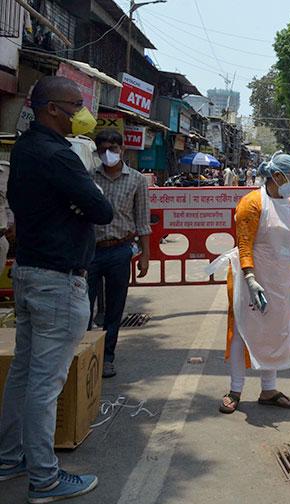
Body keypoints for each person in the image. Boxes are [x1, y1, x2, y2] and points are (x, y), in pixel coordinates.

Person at [0, 75, 113, 503]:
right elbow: (101, 209)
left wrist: (75, 201)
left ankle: (10, 457)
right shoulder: (58, 156)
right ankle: (44, 478)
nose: (81, 115)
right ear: (51, 109)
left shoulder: (25, 150)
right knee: (46, 385)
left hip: (29, 272)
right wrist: (80, 200)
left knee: (24, 376)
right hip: (58, 280)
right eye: (74, 106)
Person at [219, 152, 290, 414]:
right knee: (241, 331)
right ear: (277, 176)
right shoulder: (250, 204)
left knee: (273, 330)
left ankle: (268, 389)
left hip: (279, 281)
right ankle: (235, 390)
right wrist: (250, 278)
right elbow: (244, 245)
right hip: (251, 279)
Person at [88, 129, 151, 378]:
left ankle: (107, 357)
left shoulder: (136, 180)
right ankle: (82, 355)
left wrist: (145, 256)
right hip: (90, 251)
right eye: (103, 149)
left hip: (120, 250)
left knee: (115, 308)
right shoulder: (88, 177)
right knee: (84, 307)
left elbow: (143, 221)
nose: (108, 154)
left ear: (122, 150)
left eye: (113, 149)